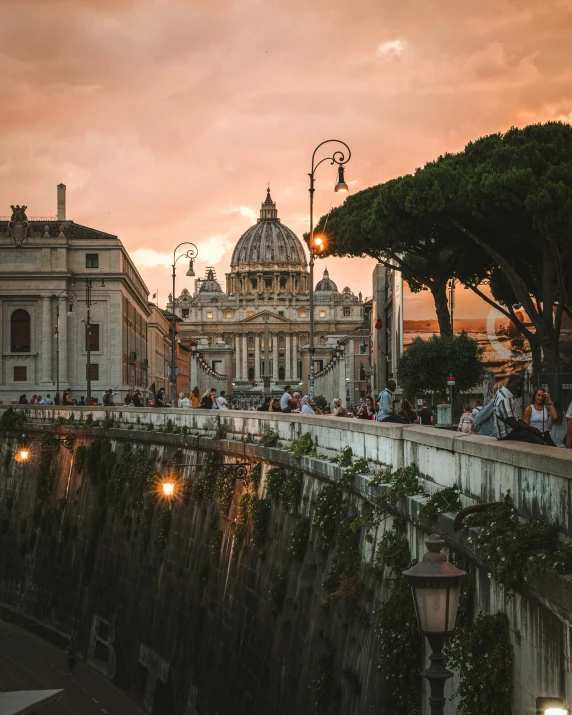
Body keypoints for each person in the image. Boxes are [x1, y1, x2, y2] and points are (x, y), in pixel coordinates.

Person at [493, 375, 546, 445]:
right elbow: (512, 422)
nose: (519, 390)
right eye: (519, 387)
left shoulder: (500, 392)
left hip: (505, 431)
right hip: (507, 433)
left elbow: (514, 419)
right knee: (538, 441)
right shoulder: (506, 398)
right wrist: (531, 428)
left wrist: (530, 428)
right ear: (516, 386)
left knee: (534, 434)